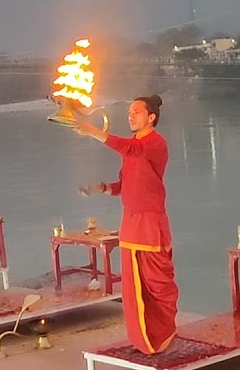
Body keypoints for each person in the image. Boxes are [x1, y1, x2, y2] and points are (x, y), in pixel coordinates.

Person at [74, 95, 179, 355]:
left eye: (137, 112)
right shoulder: (132, 145)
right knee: (133, 289)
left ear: (151, 117)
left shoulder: (155, 143)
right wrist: (103, 188)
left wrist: (95, 132)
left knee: (158, 284)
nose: (130, 116)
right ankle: (142, 341)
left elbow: (130, 150)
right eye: (129, 111)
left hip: (151, 222)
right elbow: (123, 185)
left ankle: (161, 336)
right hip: (130, 225)